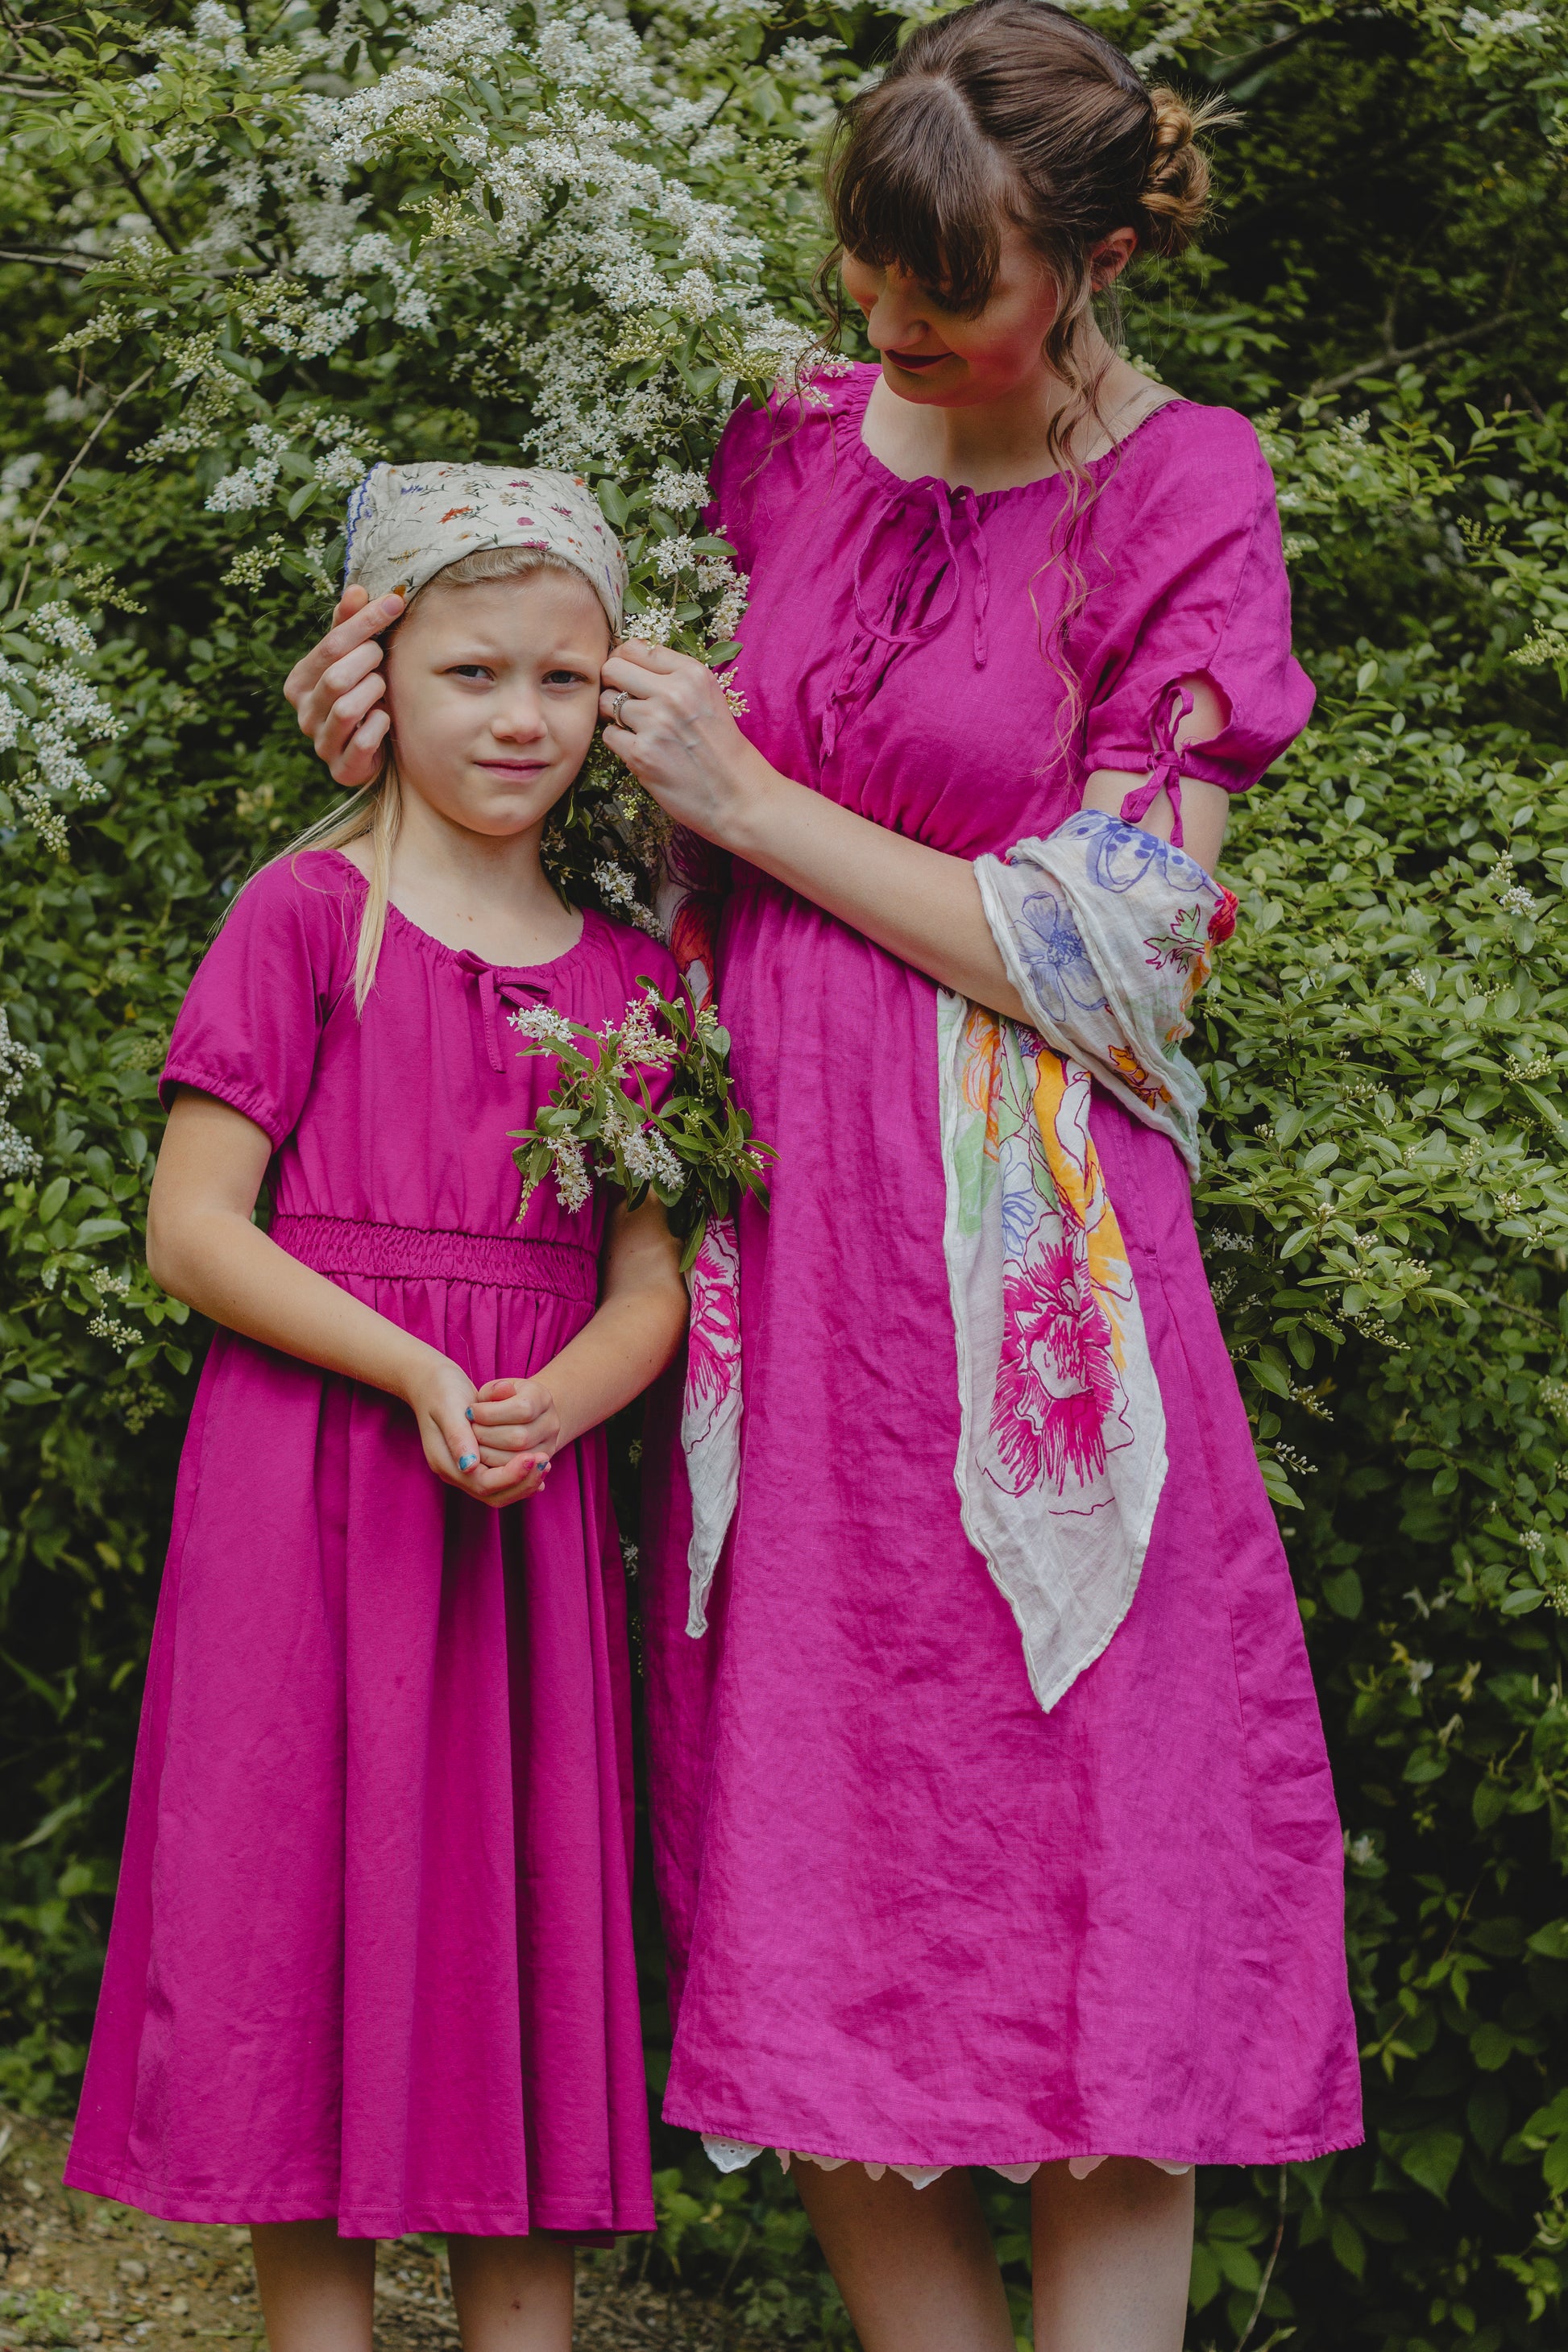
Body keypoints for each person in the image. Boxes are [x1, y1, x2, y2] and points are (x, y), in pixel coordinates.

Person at [285, 8, 1364, 2346]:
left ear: (1080, 261)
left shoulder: (1182, 489)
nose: (893, 342)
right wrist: (404, 704)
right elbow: (548, 713)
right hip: (773, 1272)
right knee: (826, 1869)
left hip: (1021, 1287)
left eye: (947, 306)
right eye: (869, 291)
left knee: (1095, 1872)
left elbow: (1130, 951)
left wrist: (758, 803)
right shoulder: (788, 444)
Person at [66, 467, 689, 2352]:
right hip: (307, 1497)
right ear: (379, 668)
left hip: (517, 1517)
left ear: (610, 697)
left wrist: (551, 1402)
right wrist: (417, 1364)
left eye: (561, 679)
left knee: (517, 1957)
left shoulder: (636, 978)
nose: (517, 717)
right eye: (471, 669)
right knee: (288, 1928)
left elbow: (653, 1281)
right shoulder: (304, 915)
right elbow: (193, 1228)